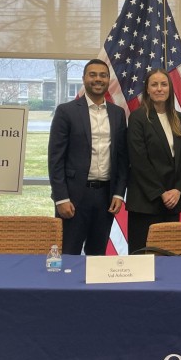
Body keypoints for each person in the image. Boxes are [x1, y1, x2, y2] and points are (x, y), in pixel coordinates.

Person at [48, 58, 129, 255]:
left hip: (105, 197)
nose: (98, 79)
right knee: (68, 253)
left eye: (103, 75)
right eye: (92, 75)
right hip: (74, 197)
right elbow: (55, 158)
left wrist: (119, 193)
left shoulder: (118, 114)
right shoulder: (66, 112)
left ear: (108, 80)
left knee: (97, 255)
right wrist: (61, 198)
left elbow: (122, 157)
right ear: (84, 78)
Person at [126, 68, 181, 254]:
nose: (159, 89)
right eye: (154, 84)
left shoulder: (179, 118)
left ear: (170, 88)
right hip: (146, 201)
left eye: (163, 84)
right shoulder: (138, 117)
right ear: (147, 89)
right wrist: (161, 193)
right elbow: (139, 161)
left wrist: (178, 189)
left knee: (168, 257)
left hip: (172, 201)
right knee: (141, 258)